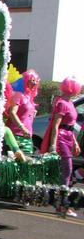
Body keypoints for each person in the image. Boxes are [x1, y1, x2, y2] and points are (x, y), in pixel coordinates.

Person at [41, 76, 82, 217]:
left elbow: (71, 126)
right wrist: (53, 144)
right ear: (72, 88)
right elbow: (56, 125)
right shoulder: (62, 103)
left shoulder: (70, 103)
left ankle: (62, 203)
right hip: (62, 139)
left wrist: (75, 143)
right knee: (67, 170)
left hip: (69, 138)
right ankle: (62, 205)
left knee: (68, 172)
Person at [4, 69, 40, 160]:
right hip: (17, 136)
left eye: (36, 81)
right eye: (32, 80)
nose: (34, 83)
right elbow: (12, 113)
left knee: (27, 165)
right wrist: (22, 127)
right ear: (26, 81)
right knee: (19, 164)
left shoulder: (30, 99)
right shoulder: (18, 95)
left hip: (28, 136)